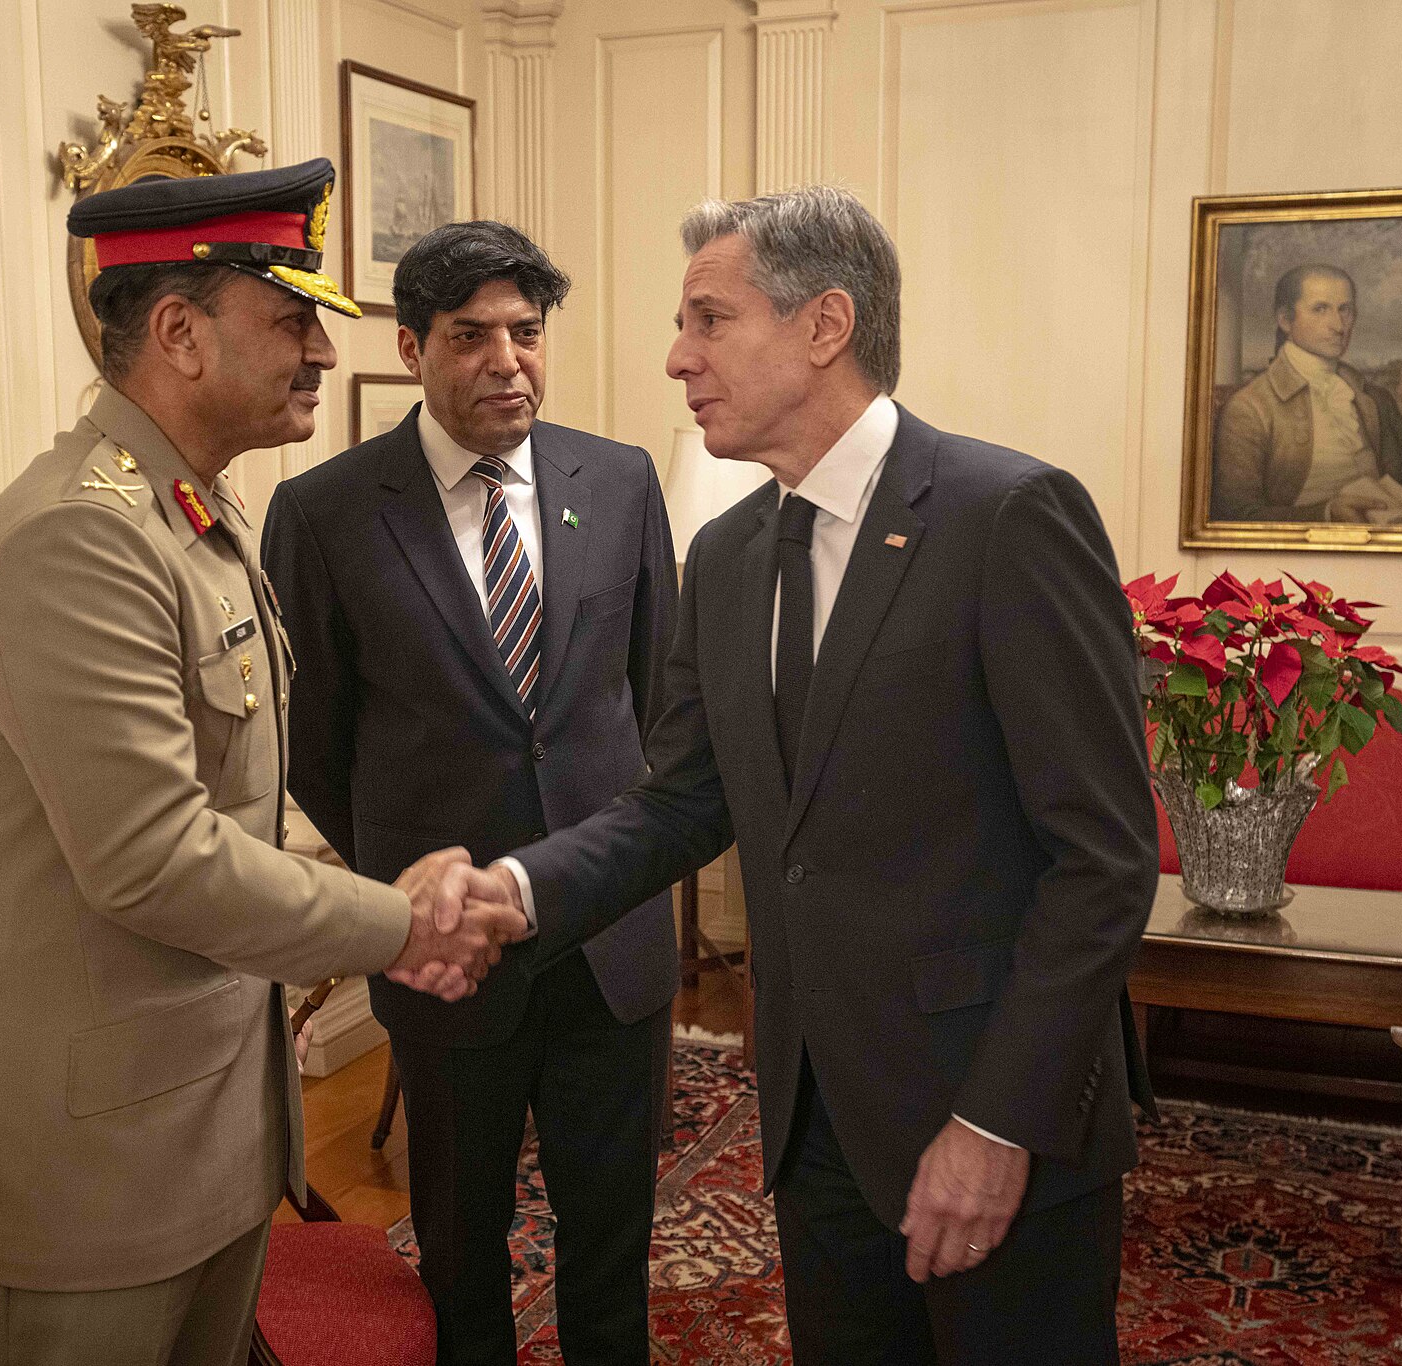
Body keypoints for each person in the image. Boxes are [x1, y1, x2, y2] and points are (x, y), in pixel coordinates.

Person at [442, 185, 1159, 1364]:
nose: (677, 358)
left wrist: (996, 1121)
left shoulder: (1009, 516)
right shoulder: (724, 556)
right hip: (814, 1115)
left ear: (825, 326)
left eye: (709, 320)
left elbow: (1104, 859)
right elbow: (683, 797)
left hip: (992, 1113)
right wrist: (518, 889)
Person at [0, 159, 526, 1366]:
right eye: (292, 320)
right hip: (88, 1173)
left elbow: (232, 808)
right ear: (180, 333)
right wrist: (398, 922)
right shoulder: (80, 540)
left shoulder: (193, 514)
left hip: (199, 1130)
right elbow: (153, 859)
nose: (323, 354)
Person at [262, 220, 679, 1366]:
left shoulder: (623, 479)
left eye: (526, 333)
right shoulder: (327, 513)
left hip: (610, 935)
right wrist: (415, 884)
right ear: (410, 348)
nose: (507, 360)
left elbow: (660, 702)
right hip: (446, 951)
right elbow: (315, 744)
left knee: (612, 1237)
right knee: (461, 1242)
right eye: (471, 335)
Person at [1212, 262, 1402, 524]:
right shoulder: (1249, 408)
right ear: (1285, 319)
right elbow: (1236, 515)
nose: (1339, 326)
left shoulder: (1375, 399)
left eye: (1345, 310)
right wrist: (1326, 514)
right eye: (1320, 309)